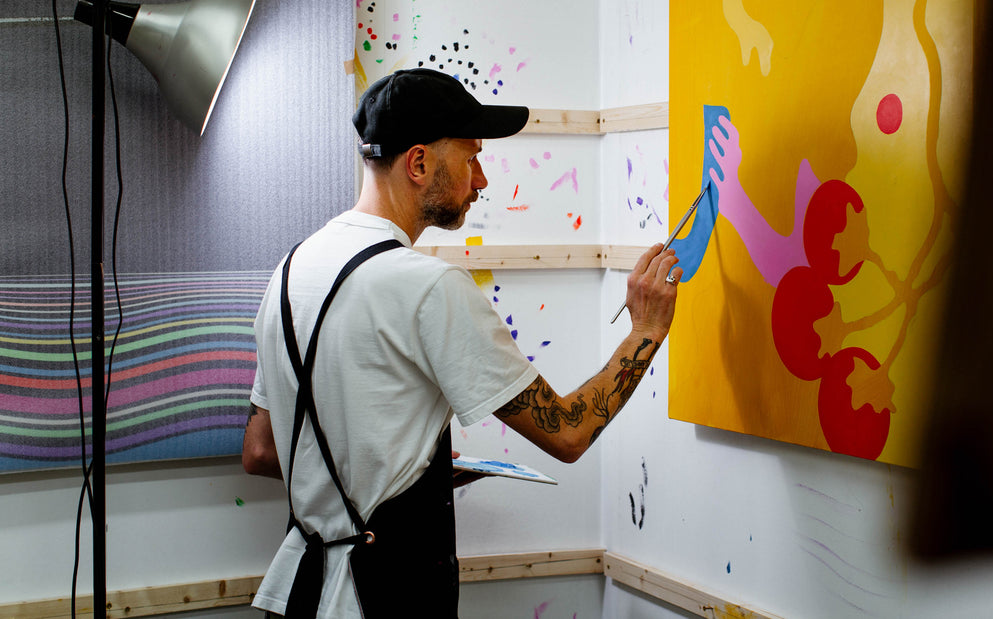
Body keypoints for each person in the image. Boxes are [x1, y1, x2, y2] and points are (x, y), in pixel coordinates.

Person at [242, 68, 681, 618]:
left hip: (296, 596)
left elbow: (260, 450)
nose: (482, 180)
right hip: (384, 598)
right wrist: (645, 332)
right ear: (419, 163)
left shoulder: (290, 270)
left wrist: (392, 466)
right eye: (471, 157)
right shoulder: (429, 287)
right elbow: (568, 432)